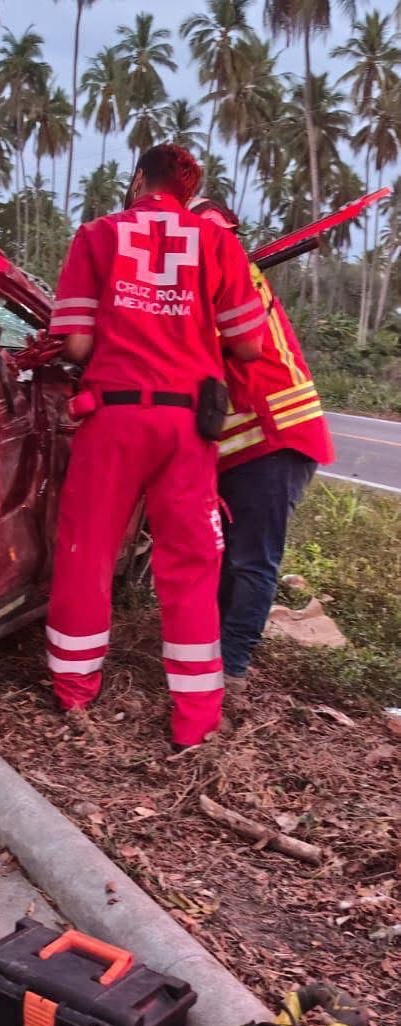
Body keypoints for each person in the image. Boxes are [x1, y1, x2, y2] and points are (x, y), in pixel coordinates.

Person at [41, 144, 266, 750]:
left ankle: (74, 692)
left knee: (87, 551)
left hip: (112, 418)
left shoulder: (97, 235)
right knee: (191, 566)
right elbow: (249, 346)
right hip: (188, 426)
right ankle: (194, 721)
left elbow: (76, 347)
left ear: (139, 178)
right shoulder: (217, 241)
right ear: (190, 192)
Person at [188, 198, 335, 692]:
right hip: (247, 443)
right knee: (231, 556)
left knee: (251, 559)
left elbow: (207, 343)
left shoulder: (231, 278)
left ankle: (230, 667)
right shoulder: (219, 279)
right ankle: (213, 652)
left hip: (274, 436)